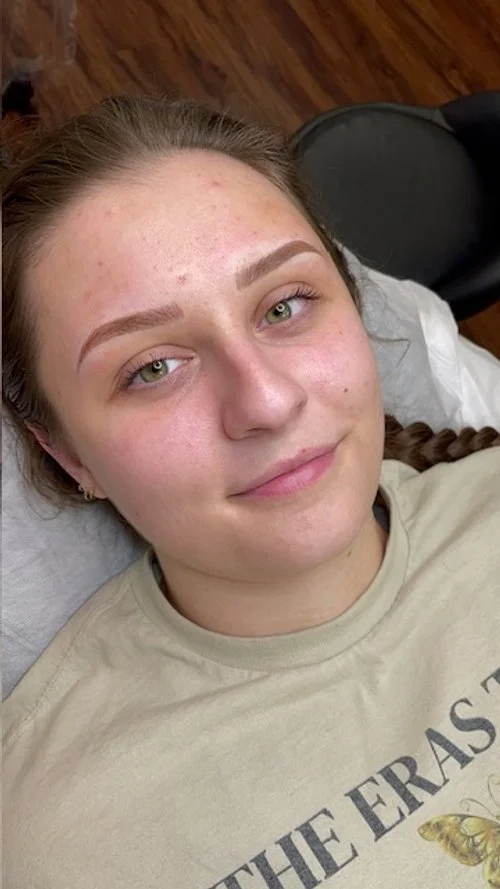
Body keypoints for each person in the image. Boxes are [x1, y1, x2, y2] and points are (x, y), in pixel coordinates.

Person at [2, 95, 499, 889]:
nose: (266, 400)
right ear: (67, 455)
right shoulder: (59, 841)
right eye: (152, 368)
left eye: (283, 306)